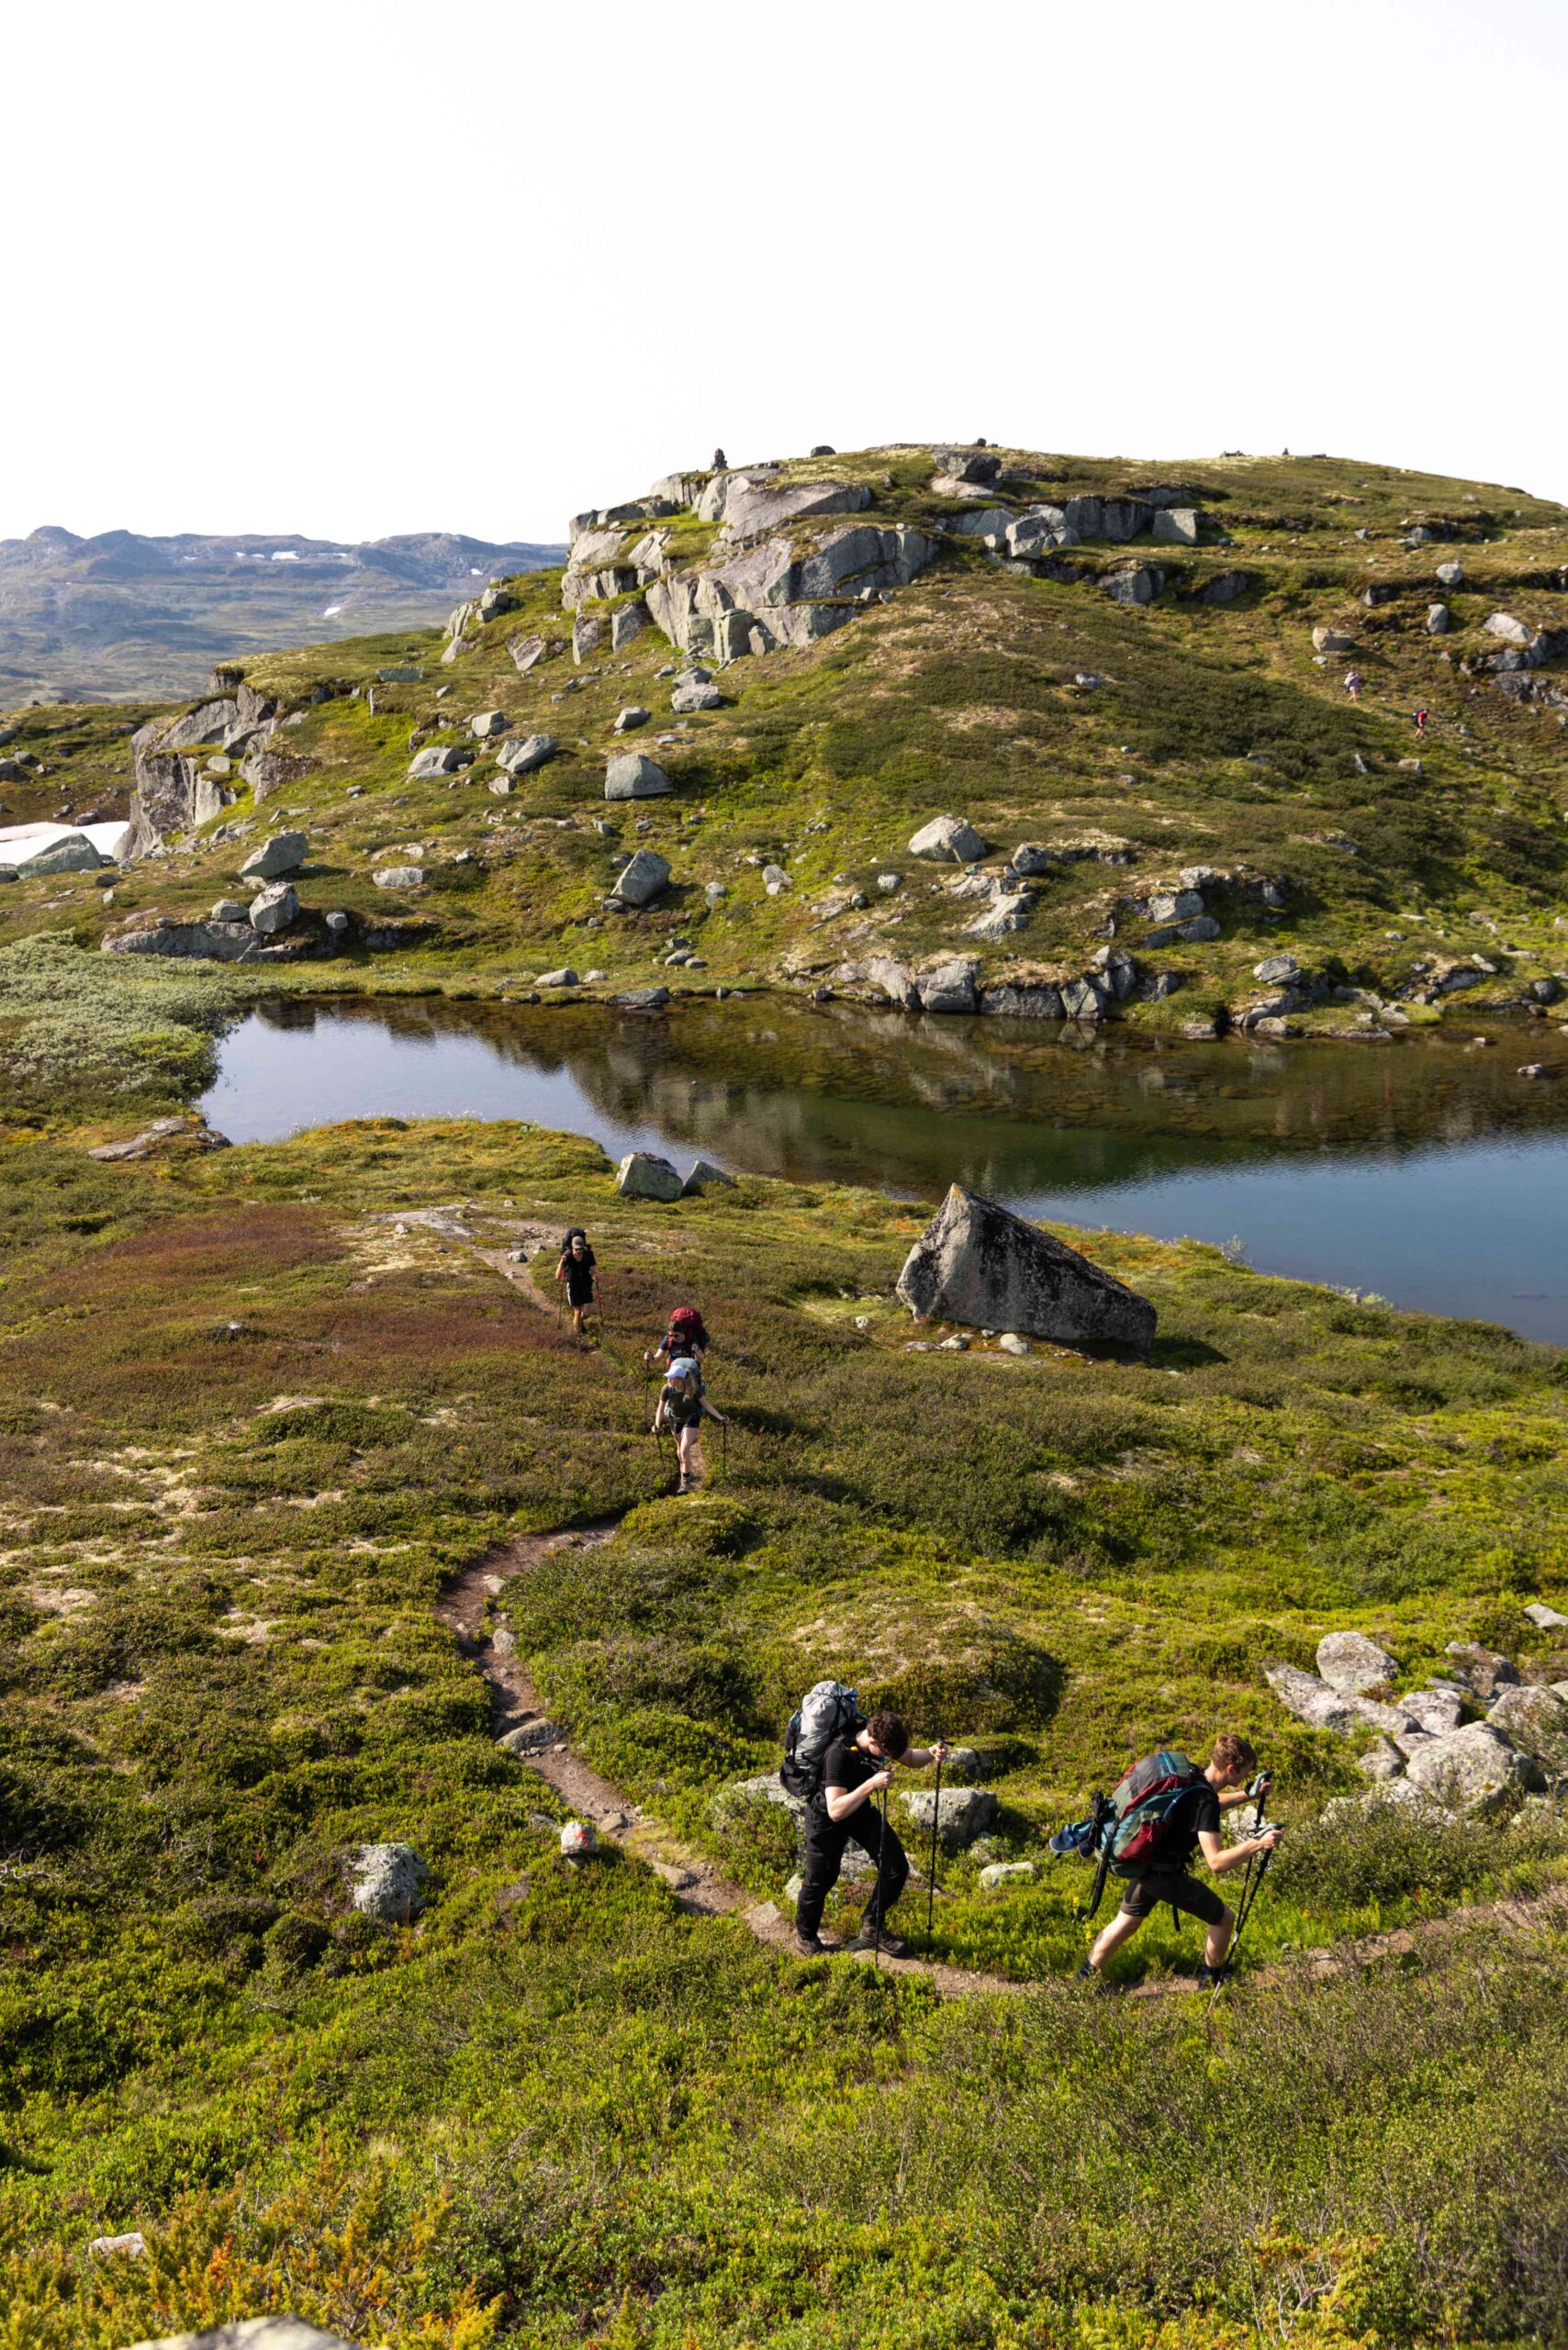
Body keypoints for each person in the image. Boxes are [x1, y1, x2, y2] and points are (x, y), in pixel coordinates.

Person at [1076, 1733, 1281, 1987]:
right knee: (1224, 1919)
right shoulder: (1204, 1800)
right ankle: (1211, 1983)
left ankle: (1081, 1984)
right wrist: (1258, 1843)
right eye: (1245, 1774)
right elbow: (1216, 1863)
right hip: (1165, 1876)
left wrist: (1248, 1795)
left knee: (1124, 1924)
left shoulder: (1192, 1776)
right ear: (1231, 1769)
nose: (1245, 1779)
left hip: (1147, 1865)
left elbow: (1208, 1804)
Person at [795, 1710, 948, 1958]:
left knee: (896, 1866)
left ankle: (872, 1927)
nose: (890, 1757)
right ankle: (805, 1936)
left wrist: (931, 1753)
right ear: (873, 1741)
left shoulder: (880, 1740)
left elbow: (909, 1757)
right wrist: (872, 1784)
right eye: (886, 1753)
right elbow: (835, 1810)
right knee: (821, 1878)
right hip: (827, 1817)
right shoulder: (839, 1754)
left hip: (860, 1810)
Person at [653, 1353, 725, 1494]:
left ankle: (685, 1483)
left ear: (680, 1379)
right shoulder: (666, 1389)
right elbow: (660, 1409)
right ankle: (686, 1471)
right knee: (680, 1451)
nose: (669, 1379)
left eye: (672, 1377)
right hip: (675, 1419)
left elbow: (706, 1405)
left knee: (685, 1450)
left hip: (692, 1418)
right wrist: (657, 1425)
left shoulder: (694, 1388)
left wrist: (720, 1417)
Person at [554, 1228, 599, 1338]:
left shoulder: (589, 1254)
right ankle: (578, 1335)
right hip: (573, 1284)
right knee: (577, 1311)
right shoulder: (568, 1256)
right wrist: (561, 1262)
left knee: (587, 1312)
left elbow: (593, 1271)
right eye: (576, 1249)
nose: (579, 1251)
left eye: (581, 1249)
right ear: (572, 1247)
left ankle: (579, 1322)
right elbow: (557, 1276)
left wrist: (595, 1277)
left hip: (586, 1283)